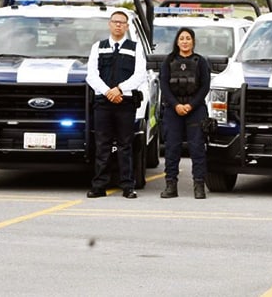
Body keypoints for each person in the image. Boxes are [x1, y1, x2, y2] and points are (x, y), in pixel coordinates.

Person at [85, 10, 147, 199]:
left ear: (127, 26)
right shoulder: (98, 47)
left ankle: (127, 186)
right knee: (102, 145)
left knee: (125, 145)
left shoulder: (135, 48)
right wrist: (108, 92)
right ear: (109, 25)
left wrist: (119, 90)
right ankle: (99, 186)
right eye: (115, 22)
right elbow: (91, 75)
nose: (118, 25)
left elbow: (140, 75)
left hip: (125, 102)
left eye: (122, 22)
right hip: (103, 102)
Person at [159, 27, 211, 199]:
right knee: (172, 148)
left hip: (195, 110)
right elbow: (164, 86)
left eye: (188, 38)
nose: (185, 41)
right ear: (177, 41)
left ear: (193, 41)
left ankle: (199, 186)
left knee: (197, 149)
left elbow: (204, 87)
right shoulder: (169, 61)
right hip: (173, 110)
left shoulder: (201, 62)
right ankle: (171, 186)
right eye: (181, 38)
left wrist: (191, 105)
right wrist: (176, 105)